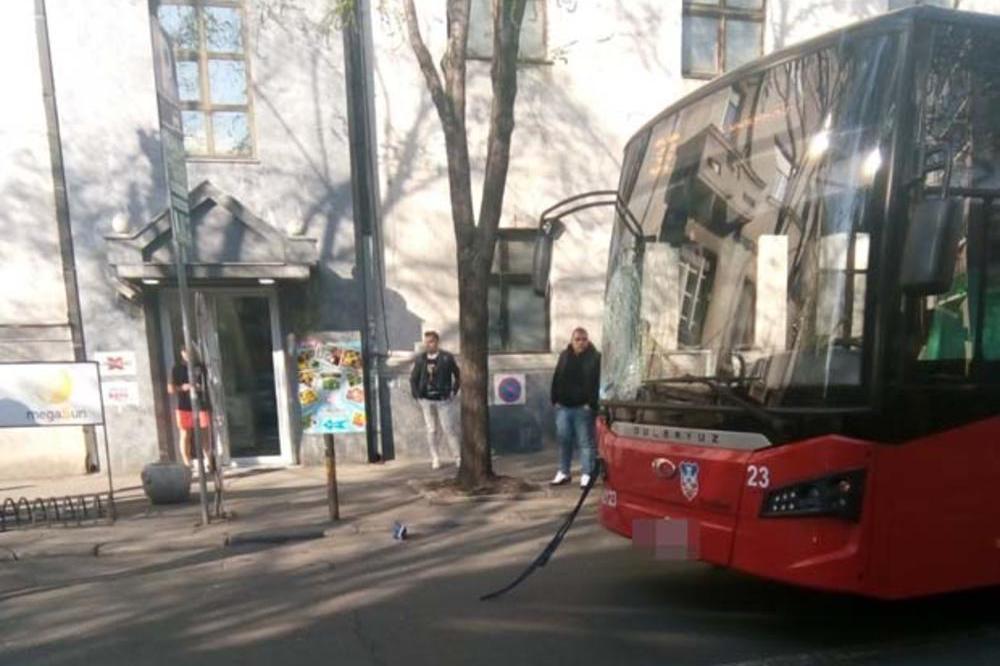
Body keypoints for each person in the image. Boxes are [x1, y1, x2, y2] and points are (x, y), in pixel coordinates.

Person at [550, 327, 601, 487]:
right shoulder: (565, 356)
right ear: (572, 341)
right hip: (563, 407)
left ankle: (587, 473)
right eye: (577, 339)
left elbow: (598, 382)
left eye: (584, 339)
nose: (581, 342)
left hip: (583, 408)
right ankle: (563, 472)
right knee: (564, 441)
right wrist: (554, 399)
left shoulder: (595, 357)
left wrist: (591, 403)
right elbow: (557, 376)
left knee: (585, 442)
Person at [410, 330, 461, 469]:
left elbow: (458, 375)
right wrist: (417, 395)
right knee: (431, 430)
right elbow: (413, 378)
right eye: (426, 342)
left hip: (443, 399)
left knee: (448, 429)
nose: (428, 345)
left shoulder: (446, 358)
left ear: (437, 342)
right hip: (426, 400)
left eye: (431, 342)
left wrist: (453, 391)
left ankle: (458, 457)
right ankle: (435, 458)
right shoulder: (421, 359)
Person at [167, 346, 212, 468]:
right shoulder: (176, 369)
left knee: (205, 434)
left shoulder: (200, 367)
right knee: (185, 434)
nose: (188, 354)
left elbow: (209, 384)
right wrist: (183, 387)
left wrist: (200, 387)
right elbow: (170, 389)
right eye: (186, 352)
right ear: (182, 353)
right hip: (184, 406)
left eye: (190, 352)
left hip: (201, 404)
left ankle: (209, 461)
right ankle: (187, 463)